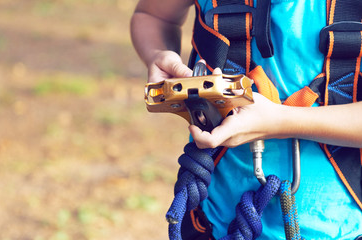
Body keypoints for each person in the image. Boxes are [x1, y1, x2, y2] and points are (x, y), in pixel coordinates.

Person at [131, 0, 362, 239]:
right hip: (214, 223)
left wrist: (283, 122)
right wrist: (159, 54)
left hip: (344, 227)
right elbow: (153, 15)